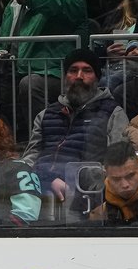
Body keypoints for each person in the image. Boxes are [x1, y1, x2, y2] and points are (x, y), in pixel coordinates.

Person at [21, 48, 128, 218]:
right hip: (39, 190)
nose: (79, 76)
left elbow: (118, 164)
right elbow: (30, 157)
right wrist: (46, 179)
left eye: (87, 70)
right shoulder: (46, 114)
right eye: (73, 70)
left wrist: (75, 183)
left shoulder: (113, 112)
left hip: (86, 197)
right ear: (64, 77)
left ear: (97, 78)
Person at [0, 0, 89, 134]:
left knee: (30, 84)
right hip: (15, 70)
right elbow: (3, 41)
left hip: (56, 73)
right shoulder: (13, 3)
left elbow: (55, 5)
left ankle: (45, 141)